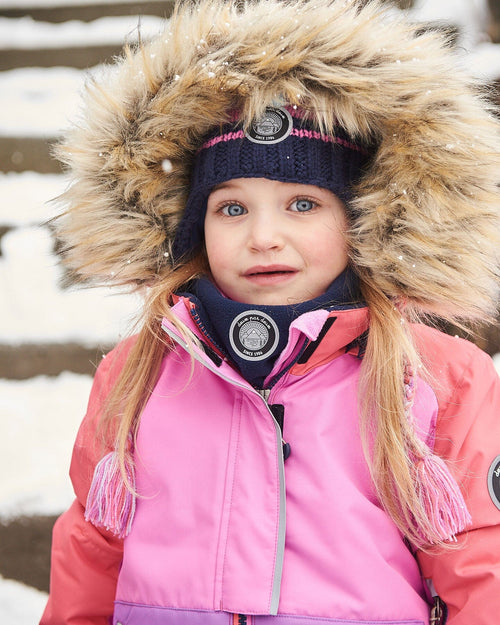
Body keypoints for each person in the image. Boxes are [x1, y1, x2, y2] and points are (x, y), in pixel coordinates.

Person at [41, 1, 500, 624]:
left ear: (363, 220)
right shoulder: (137, 375)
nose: (263, 237)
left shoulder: (439, 379)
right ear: (193, 227)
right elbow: (92, 554)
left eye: (303, 205)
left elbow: (482, 565)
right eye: (232, 208)